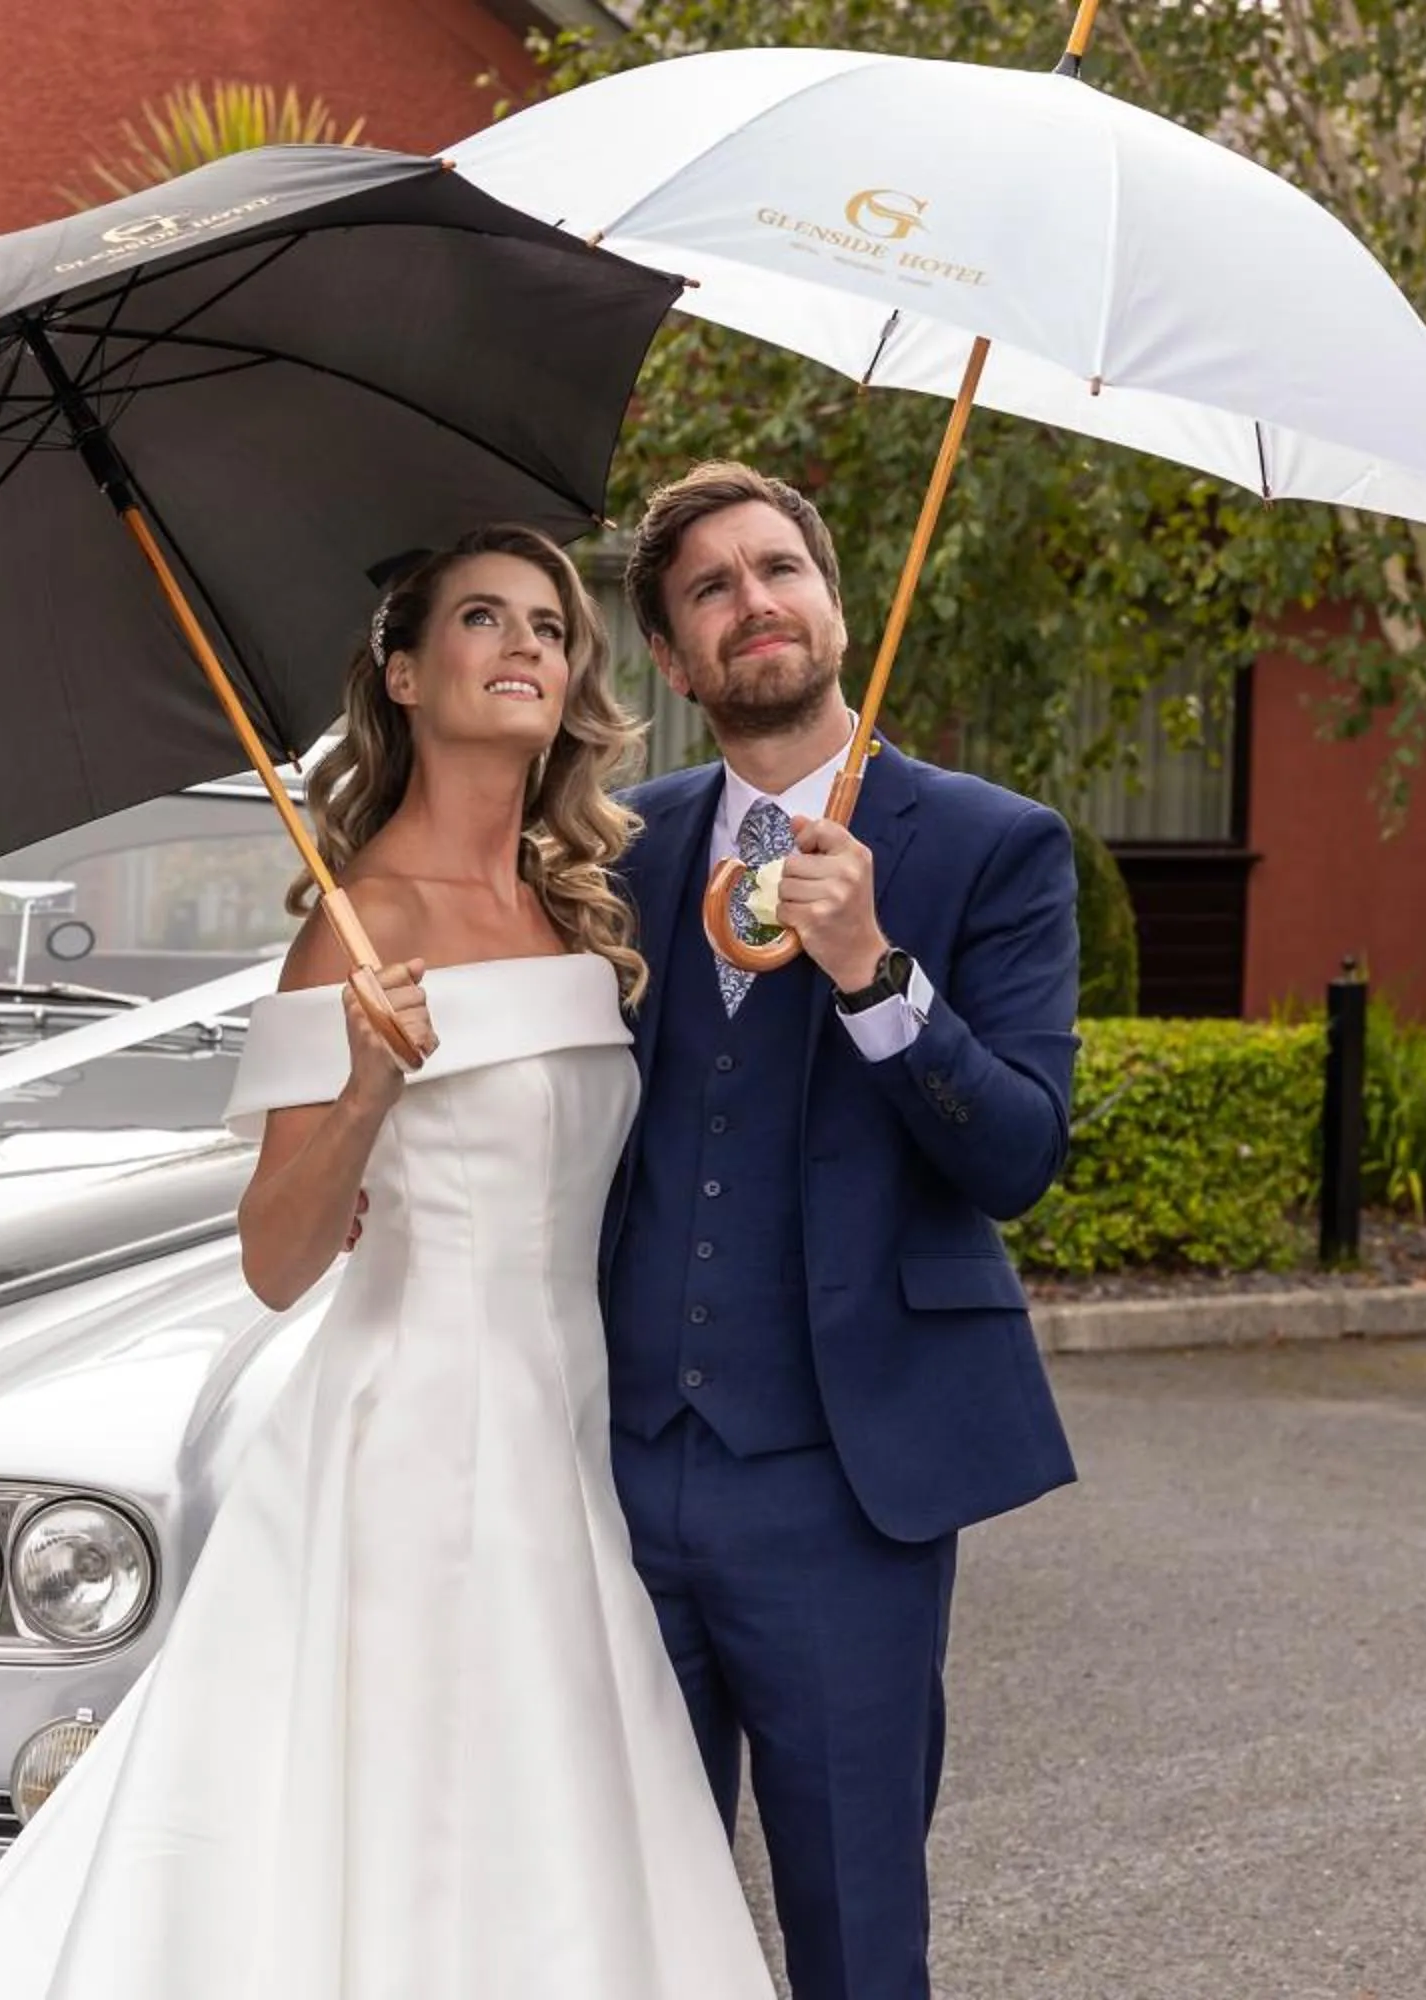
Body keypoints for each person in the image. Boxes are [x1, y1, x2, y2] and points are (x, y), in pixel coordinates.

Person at [0, 523, 778, 1998]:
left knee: (552, 1826)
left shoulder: (578, 910)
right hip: (410, 1444)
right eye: (484, 621)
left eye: (551, 629)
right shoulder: (355, 927)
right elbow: (274, 1256)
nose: (525, 648)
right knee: (414, 1820)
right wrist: (368, 1089)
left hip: (563, 1435)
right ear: (404, 672)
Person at [601, 461, 1081, 2000]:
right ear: (674, 661)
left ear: (834, 602)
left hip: (842, 1488)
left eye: (777, 570)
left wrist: (878, 974)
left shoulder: (992, 845)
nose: (755, 604)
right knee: (616, 1914)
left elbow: (1019, 1156)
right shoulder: (622, 848)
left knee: (856, 1931)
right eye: (710, 590)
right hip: (610, 1473)